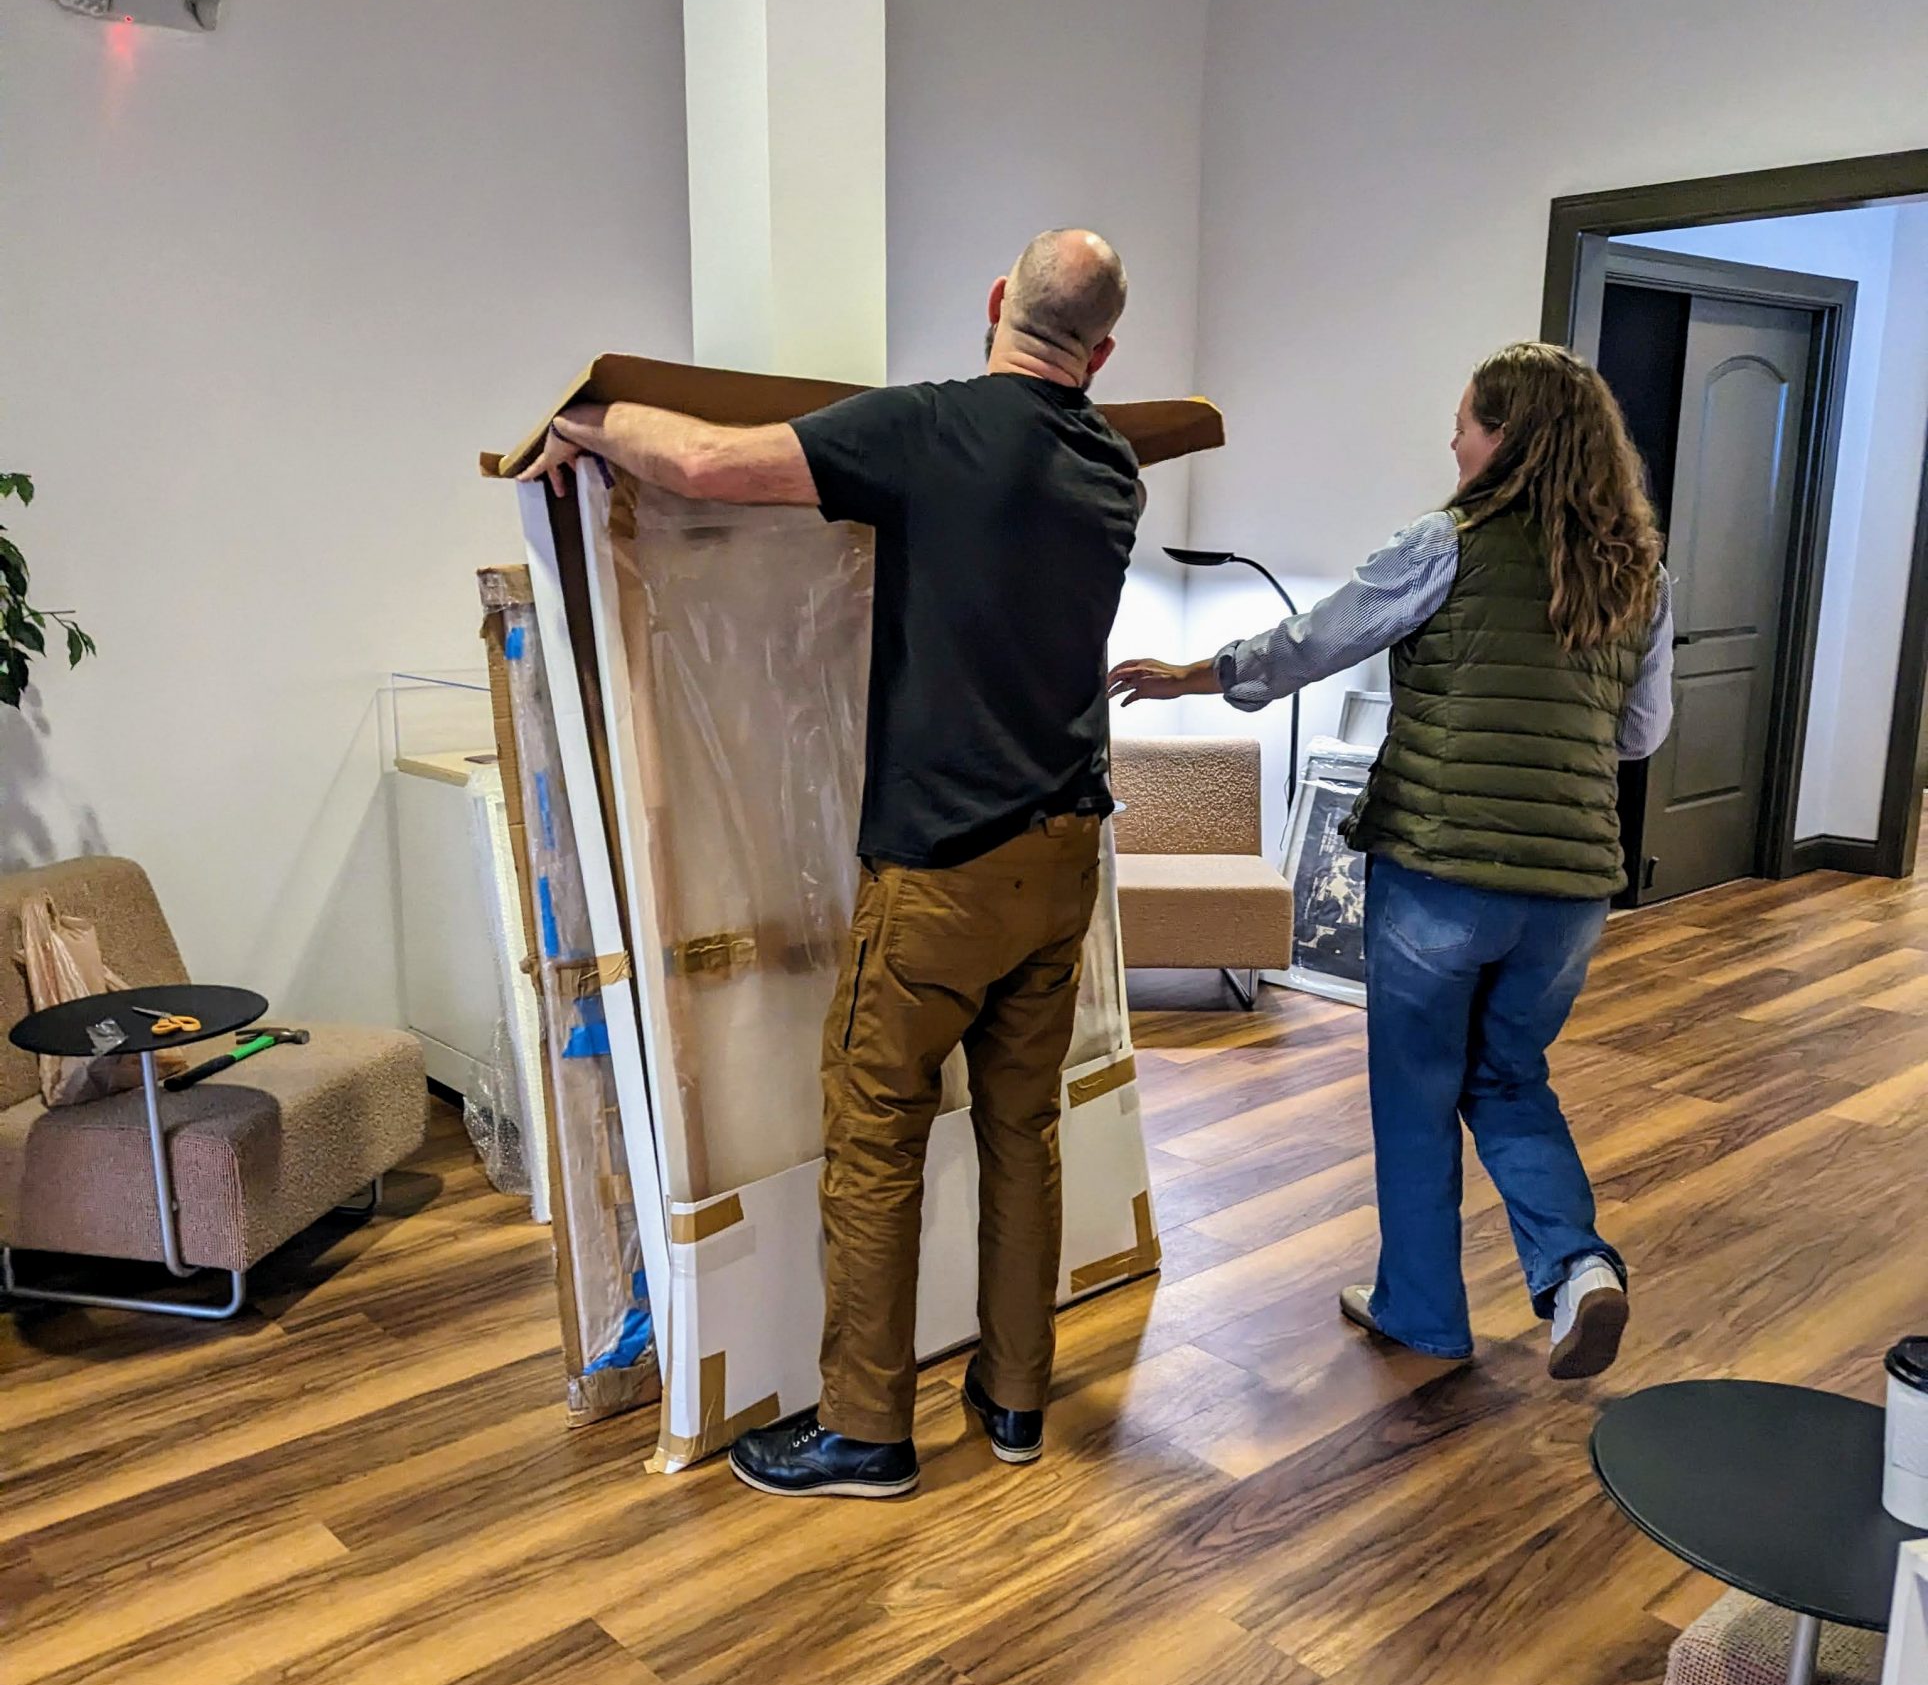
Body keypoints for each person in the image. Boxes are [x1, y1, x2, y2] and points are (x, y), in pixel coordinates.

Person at [521, 230, 1141, 1496]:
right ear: (1104, 352)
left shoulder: (932, 431)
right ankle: (1014, 1401)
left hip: (942, 872)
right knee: (1023, 1130)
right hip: (1063, 854)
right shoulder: (1114, 466)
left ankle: (864, 1428)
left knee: (874, 1129)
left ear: (991, 305)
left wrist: (586, 418)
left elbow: (699, 460)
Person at [1110, 342, 1673, 1379]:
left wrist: (1194, 675)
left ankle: (1420, 1307)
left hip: (1440, 867)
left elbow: (1312, 643)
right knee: (1507, 1076)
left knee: (1415, 1086)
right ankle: (1576, 1266)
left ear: (1503, 438)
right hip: (1572, 887)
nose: (1451, 441)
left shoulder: (1444, 542)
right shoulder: (1636, 573)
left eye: (1463, 422)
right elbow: (1638, 732)